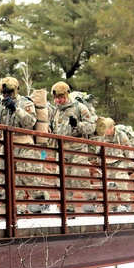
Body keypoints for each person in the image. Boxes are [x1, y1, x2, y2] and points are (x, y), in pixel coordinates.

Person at [0, 76, 45, 212]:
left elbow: (30, 122)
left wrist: (15, 109)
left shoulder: (25, 103)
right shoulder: (1, 105)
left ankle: (43, 202)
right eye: (3, 92)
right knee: (8, 180)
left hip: (24, 144)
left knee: (29, 178)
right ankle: (15, 210)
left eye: (9, 91)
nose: (6, 94)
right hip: (6, 145)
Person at [48, 81, 99, 213]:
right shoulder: (55, 111)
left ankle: (91, 201)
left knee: (79, 175)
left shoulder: (79, 107)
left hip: (77, 148)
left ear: (67, 95)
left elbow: (91, 127)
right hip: (61, 149)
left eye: (60, 97)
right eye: (56, 98)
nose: (58, 100)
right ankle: (67, 209)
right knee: (63, 181)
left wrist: (77, 124)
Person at [95, 117, 134, 213]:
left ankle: (126, 205)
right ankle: (113, 207)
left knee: (121, 181)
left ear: (112, 127)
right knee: (109, 185)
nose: (106, 131)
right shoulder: (102, 136)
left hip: (120, 161)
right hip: (107, 163)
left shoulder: (121, 135)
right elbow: (97, 149)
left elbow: (128, 149)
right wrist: (99, 162)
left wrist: (130, 166)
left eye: (107, 128)